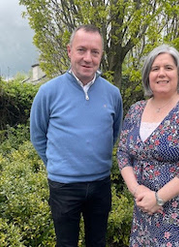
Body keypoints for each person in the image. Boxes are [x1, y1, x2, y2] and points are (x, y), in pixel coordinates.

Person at [30, 24, 123, 247]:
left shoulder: (113, 93)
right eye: (81, 50)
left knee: (97, 242)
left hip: (100, 184)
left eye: (95, 52)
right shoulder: (48, 92)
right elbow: (38, 135)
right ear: (69, 50)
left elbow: (114, 133)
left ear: (101, 55)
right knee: (66, 243)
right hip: (63, 186)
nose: (88, 58)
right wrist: (58, 164)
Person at [117, 44, 179, 246]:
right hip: (144, 207)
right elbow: (123, 153)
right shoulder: (136, 110)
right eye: (155, 68)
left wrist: (159, 198)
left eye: (168, 68)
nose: (161, 73)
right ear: (148, 76)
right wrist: (138, 191)